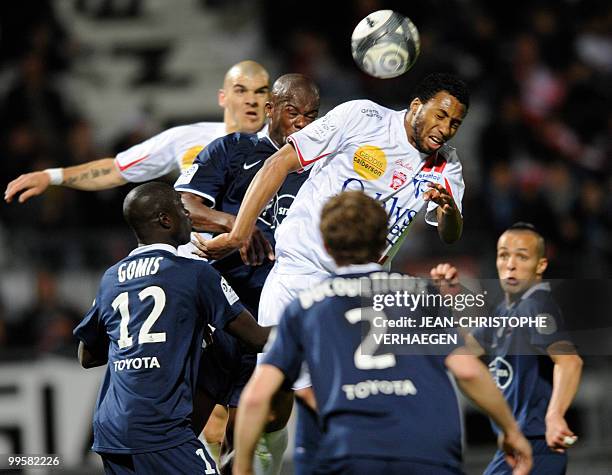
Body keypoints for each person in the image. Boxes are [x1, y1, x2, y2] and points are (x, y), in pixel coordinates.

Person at [194, 72, 470, 473]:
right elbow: (281, 161)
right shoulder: (363, 117)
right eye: (440, 116)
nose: (445, 130)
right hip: (299, 272)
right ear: (416, 106)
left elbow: (450, 233)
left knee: (332, 399)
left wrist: (449, 212)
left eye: (455, 124)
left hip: (361, 291)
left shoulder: (447, 166)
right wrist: (239, 232)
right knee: (276, 405)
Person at [233, 191, 533, 475]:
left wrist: (243, 466)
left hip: (351, 449)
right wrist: (511, 429)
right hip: (427, 447)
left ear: (325, 244)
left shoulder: (307, 307)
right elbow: (467, 371)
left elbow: (258, 396)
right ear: (383, 244)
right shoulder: (419, 295)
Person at [175, 73, 320, 473]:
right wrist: (238, 224)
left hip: (278, 312)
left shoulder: (320, 165)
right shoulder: (232, 149)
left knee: (262, 423)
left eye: (312, 115)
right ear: (271, 110)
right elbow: (183, 208)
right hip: (221, 306)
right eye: (294, 113)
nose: (303, 124)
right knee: (196, 420)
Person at [73, 182, 270, 475]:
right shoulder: (194, 273)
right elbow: (257, 339)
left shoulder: (111, 278)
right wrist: (312, 319)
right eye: (182, 209)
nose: (189, 216)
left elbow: (87, 357)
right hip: (161, 429)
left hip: (111, 430)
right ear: (165, 219)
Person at [431, 222, 583, 474]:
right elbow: (462, 354)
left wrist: (554, 415)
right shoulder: (504, 312)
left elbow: (569, 361)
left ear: (540, 265)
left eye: (522, 256)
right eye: (504, 255)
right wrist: (447, 302)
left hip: (537, 443)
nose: (510, 264)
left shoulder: (536, 305)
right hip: (517, 446)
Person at [4, 60, 269, 203]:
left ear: (270, 100)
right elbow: (115, 171)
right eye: (241, 90)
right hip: (201, 271)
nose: (251, 100)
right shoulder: (188, 138)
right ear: (222, 97)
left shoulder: (287, 147)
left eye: (260, 91)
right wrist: (51, 176)